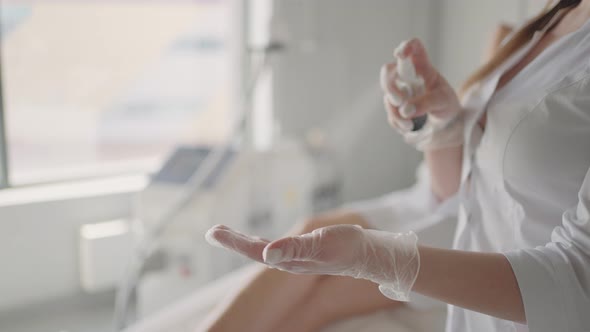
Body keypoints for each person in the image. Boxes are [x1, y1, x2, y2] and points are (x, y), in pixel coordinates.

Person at [202, 0, 590, 331]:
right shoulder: (546, 24)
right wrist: (441, 124)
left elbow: (579, 284)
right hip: (452, 224)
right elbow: (461, 189)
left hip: (488, 268)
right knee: (311, 250)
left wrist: (379, 259)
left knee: (320, 295)